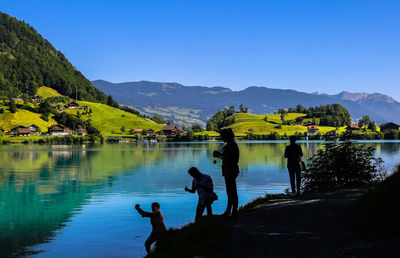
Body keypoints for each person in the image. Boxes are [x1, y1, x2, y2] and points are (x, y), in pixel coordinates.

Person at [213, 128, 240, 218]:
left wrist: (219, 155)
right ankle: (230, 210)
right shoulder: (230, 145)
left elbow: (230, 159)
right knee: (230, 191)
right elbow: (226, 157)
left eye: (223, 136)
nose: (222, 137)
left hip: (231, 170)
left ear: (227, 136)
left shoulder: (231, 145)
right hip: (229, 170)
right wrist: (220, 155)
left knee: (232, 191)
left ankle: (233, 211)